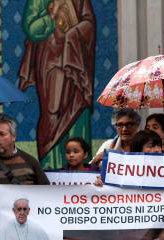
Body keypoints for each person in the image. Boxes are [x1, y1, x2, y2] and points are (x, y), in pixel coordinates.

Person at [18, 0, 95, 162]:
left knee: (77, 107)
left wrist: (73, 34)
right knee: (51, 112)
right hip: (49, 61)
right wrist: (51, 15)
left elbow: (89, 22)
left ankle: (80, 165)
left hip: (75, 62)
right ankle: (50, 164)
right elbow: (31, 28)